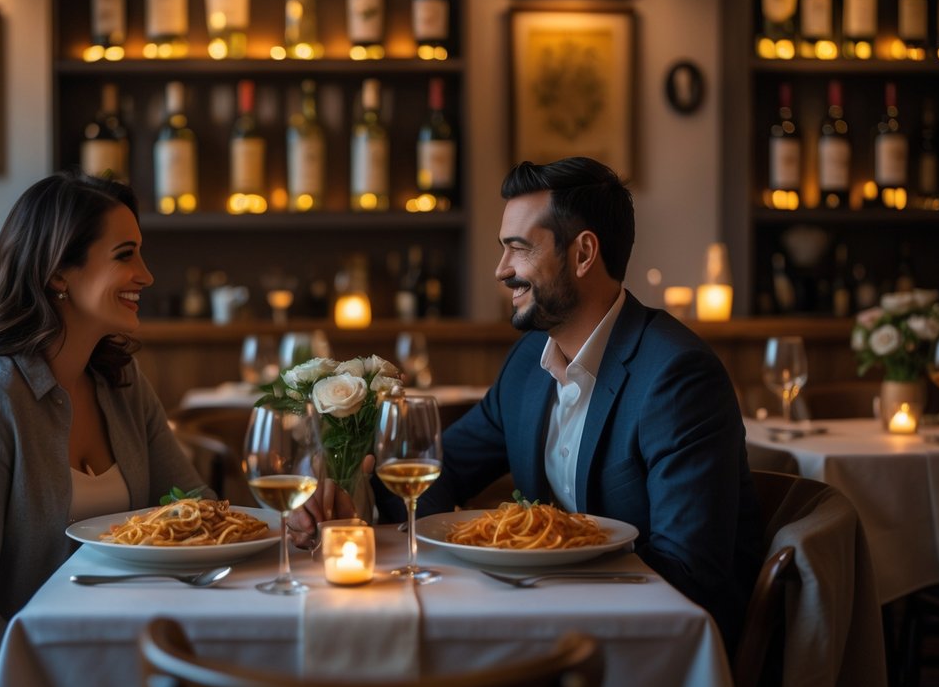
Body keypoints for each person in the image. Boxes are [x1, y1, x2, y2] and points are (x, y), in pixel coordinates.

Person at [294, 156, 762, 654]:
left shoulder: (675, 375)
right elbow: (437, 472)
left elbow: (688, 572)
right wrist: (352, 505)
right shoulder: (526, 365)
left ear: (583, 253)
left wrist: (536, 583)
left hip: (653, 654)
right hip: (548, 629)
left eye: (518, 249)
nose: (502, 271)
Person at [0, 171, 211, 684]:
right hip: (22, 683)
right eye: (125, 255)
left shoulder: (121, 381)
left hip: (117, 647)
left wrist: (282, 522)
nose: (146, 275)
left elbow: (195, 503)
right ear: (58, 276)